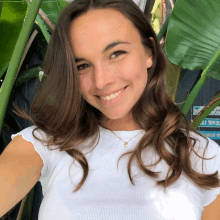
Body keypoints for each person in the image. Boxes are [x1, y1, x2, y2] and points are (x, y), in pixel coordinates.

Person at [1, 0, 220, 219]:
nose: (101, 81)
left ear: (149, 52)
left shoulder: (203, 155)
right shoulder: (42, 145)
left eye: (116, 53)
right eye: (82, 65)